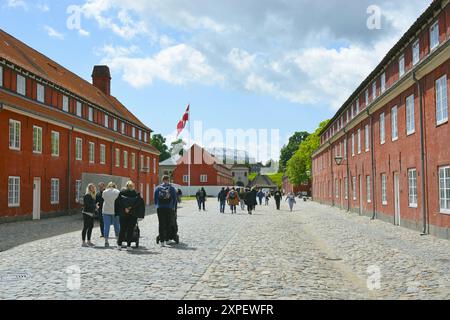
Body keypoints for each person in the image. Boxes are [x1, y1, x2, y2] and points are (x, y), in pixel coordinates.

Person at [115, 181, 141, 250]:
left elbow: (118, 203)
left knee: (122, 229)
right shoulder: (136, 194)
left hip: (123, 213)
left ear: (126, 186)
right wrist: (131, 208)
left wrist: (125, 208)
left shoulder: (121, 193)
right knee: (130, 230)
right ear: (133, 186)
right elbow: (138, 204)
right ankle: (128, 246)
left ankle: (119, 245)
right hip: (133, 214)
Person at [154, 175, 178, 247]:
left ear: (162, 180)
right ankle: (167, 240)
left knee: (161, 224)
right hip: (169, 208)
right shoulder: (171, 188)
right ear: (168, 180)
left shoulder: (158, 188)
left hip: (160, 208)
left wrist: (157, 206)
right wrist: (173, 207)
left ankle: (161, 241)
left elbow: (155, 198)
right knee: (168, 224)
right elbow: (175, 198)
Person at [101, 182, 120, 248]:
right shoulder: (117, 192)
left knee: (106, 226)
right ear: (115, 186)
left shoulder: (104, 192)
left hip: (106, 211)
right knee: (117, 226)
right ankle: (118, 240)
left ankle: (106, 241)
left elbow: (103, 198)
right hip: (115, 211)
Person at [82, 183, 97, 247]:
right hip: (87, 213)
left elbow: (92, 204)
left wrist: (95, 207)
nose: (93, 188)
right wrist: (95, 206)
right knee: (85, 227)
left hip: (91, 214)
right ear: (89, 188)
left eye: (94, 187)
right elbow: (87, 205)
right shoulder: (87, 195)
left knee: (90, 227)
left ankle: (88, 241)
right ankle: (83, 242)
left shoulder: (93, 195)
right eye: (92, 187)